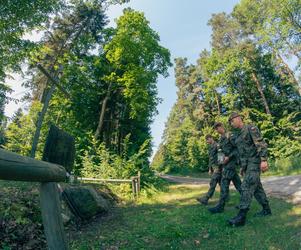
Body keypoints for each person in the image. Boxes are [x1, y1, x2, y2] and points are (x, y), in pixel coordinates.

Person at [227, 112, 271, 227]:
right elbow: (242, 153)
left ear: (238, 118)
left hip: (255, 162)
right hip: (247, 165)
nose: (231, 124)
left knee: (246, 186)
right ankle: (267, 210)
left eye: (232, 121)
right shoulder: (238, 135)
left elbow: (260, 143)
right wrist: (242, 167)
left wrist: (264, 160)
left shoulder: (250, 128)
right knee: (257, 189)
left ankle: (241, 216)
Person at [208, 122, 242, 213]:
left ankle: (220, 206)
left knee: (224, 184)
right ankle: (244, 202)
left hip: (231, 164)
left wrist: (229, 157)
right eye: (215, 129)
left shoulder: (230, 135)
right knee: (238, 184)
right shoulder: (220, 139)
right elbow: (220, 154)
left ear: (221, 127)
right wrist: (219, 166)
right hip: (225, 165)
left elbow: (237, 148)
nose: (216, 131)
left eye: (217, 128)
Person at [196, 134, 222, 205]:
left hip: (217, 168)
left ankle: (205, 199)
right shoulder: (210, 147)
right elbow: (210, 159)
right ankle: (225, 198)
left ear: (211, 138)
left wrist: (219, 167)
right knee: (222, 184)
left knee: (213, 183)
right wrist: (210, 169)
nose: (207, 142)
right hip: (213, 168)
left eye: (207, 140)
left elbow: (220, 156)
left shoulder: (217, 145)